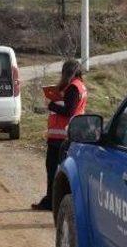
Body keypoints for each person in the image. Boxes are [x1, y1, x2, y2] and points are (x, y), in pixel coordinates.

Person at [32, 59, 88, 211]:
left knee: (54, 171)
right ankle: (53, 200)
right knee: (61, 171)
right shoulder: (80, 86)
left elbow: (69, 111)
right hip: (67, 135)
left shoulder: (72, 88)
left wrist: (51, 105)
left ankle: (52, 201)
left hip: (61, 137)